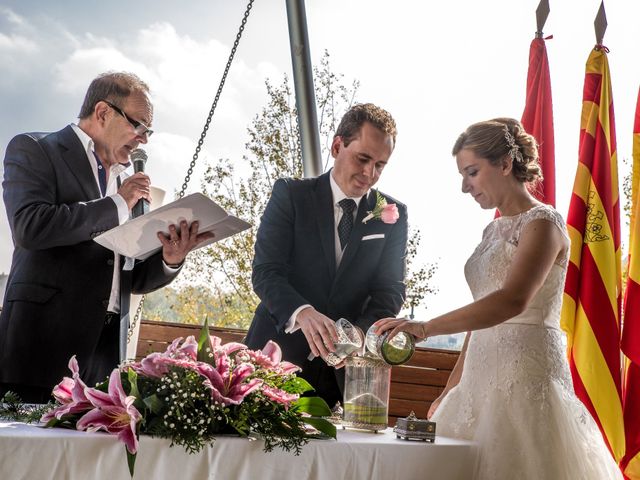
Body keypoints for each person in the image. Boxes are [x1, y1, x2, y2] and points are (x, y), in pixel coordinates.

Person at [374, 118, 622, 479]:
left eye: (471, 172)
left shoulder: (544, 223)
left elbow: (510, 301)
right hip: (476, 385)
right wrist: (451, 388)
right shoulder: (491, 230)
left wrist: (424, 328)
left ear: (505, 164)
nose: (464, 187)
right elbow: (481, 317)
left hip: (526, 383)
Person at [0, 71, 212, 403]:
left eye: (148, 131)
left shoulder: (130, 183)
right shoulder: (34, 148)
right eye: (138, 125)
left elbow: (134, 276)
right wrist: (117, 203)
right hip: (41, 347)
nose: (144, 139)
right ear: (103, 112)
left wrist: (171, 258)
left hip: (106, 353)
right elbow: (30, 227)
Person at [244, 103, 408, 406]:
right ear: (337, 145)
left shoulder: (393, 214)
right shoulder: (290, 195)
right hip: (273, 358)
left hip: (341, 374)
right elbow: (266, 271)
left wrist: (357, 334)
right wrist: (302, 313)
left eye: (380, 165)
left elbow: (390, 291)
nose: (370, 174)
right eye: (363, 159)